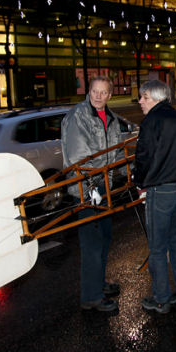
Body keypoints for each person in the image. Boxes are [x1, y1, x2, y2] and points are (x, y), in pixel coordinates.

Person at [134, 79, 176, 314]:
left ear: (155, 98)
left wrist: (138, 181)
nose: (140, 101)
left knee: (158, 247)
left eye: (143, 97)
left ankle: (161, 298)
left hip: (161, 190)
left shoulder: (151, 121)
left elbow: (143, 156)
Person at [61, 75, 124, 312]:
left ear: (110, 95)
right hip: (87, 187)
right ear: (89, 92)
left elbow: (115, 152)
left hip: (104, 186)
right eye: (94, 91)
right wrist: (90, 190)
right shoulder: (79, 117)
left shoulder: (111, 119)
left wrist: (127, 171)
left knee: (104, 237)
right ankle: (91, 296)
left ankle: (98, 282)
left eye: (103, 92)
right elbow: (79, 158)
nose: (98, 96)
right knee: (91, 243)